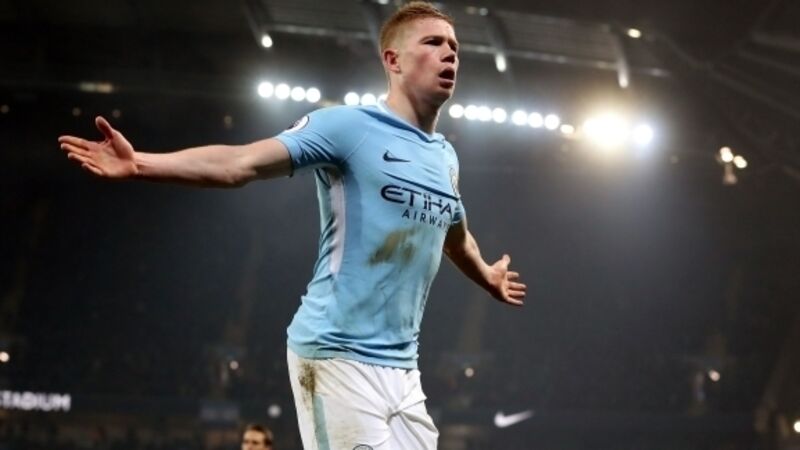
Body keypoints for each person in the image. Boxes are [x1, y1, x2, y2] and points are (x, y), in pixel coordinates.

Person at [58, 2, 526, 448]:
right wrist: (140, 163)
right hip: (337, 354)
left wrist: (486, 274)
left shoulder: (445, 157)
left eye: (454, 46)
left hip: (404, 371)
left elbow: (454, 233)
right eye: (433, 42)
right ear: (393, 60)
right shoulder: (348, 127)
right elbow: (239, 163)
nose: (449, 53)